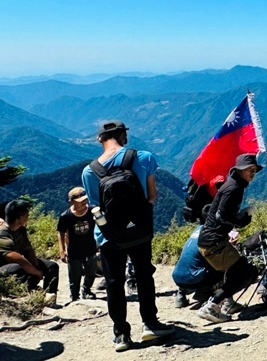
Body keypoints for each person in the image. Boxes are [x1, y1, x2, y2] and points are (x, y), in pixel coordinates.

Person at [82, 120, 174, 352]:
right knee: (144, 275)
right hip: (140, 232)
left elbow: (95, 209)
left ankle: (121, 334)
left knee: (114, 283)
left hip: (109, 237)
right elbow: (152, 196)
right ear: (124, 136)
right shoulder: (144, 158)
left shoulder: (89, 171)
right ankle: (150, 325)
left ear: (100, 140)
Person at [196, 153, 262, 323]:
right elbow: (220, 215)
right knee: (245, 272)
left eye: (254, 170)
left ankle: (228, 304)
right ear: (240, 171)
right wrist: (239, 221)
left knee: (235, 270)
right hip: (214, 242)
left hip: (211, 240)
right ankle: (212, 306)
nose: (253, 173)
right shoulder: (233, 188)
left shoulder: (233, 185)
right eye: (250, 170)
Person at [0, 199, 59, 304]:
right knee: (19, 268)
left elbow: (28, 249)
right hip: (4, 268)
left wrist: (35, 266)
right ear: (20, 217)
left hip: (19, 264)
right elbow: (17, 259)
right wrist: (37, 272)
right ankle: (32, 292)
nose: (28, 216)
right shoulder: (2, 235)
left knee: (52, 266)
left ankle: (49, 298)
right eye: (26, 213)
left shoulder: (21, 230)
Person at [57, 186, 97, 302]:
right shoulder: (66, 216)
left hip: (91, 247)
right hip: (74, 249)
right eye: (80, 202)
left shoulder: (92, 211)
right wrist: (62, 250)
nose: (83, 203)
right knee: (74, 274)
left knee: (91, 271)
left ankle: (86, 290)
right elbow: (61, 233)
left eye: (85, 200)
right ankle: (74, 295)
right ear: (71, 201)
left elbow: (102, 225)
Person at [172, 225, 223, 308]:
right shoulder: (213, 233)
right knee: (220, 264)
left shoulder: (198, 229)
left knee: (191, 263)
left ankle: (180, 296)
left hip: (176, 276)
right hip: (193, 278)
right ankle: (203, 291)